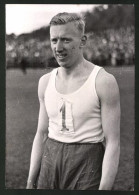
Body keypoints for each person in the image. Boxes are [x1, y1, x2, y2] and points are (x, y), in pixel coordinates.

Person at [26, 12, 120, 190]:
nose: (58, 47)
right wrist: (31, 181)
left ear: (83, 41)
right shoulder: (45, 82)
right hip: (50, 160)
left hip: (87, 163)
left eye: (66, 40)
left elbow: (113, 142)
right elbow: (41, 133)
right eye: (54, 40)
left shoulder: (103, 81)